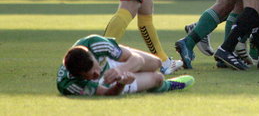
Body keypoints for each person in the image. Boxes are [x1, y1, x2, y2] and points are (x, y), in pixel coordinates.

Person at [57, 34, 194, 96]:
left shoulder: (94, 43)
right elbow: (106, 93)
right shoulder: (70, 84)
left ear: (92, 55)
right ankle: (167, 86)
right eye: (92, 75)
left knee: (156, 63)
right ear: (80, 76)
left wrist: (120, 69)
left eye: (96, 68)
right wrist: (121, 83)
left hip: (113, 61)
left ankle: (136, 76)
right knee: (157, 78)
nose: (97, 73)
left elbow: (137, 59)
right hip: (106, 83)